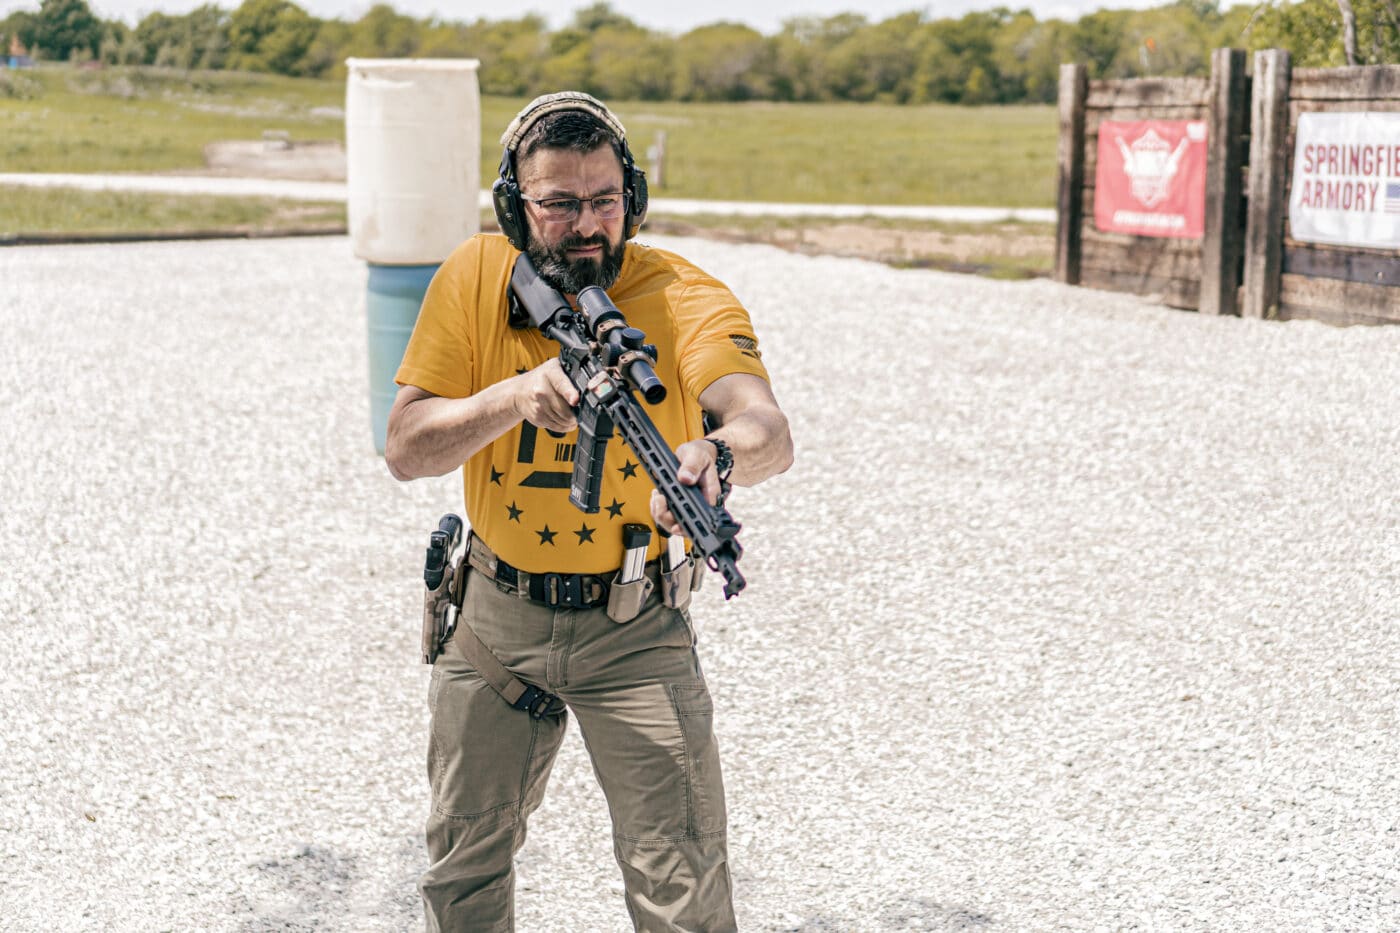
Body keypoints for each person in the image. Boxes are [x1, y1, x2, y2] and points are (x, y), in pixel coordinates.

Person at [385, 91, 793, 932]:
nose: (587, 225)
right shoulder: (473, 276)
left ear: (632, 200)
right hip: (493, 620)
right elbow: (406, 448)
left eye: (605, 201)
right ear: (512, 206)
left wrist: (719, 454)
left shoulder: (682, 294)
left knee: (681, 883)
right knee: (463, 869)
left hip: (634, 627)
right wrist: (513, 396)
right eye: (558, 203)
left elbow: (766, 426)